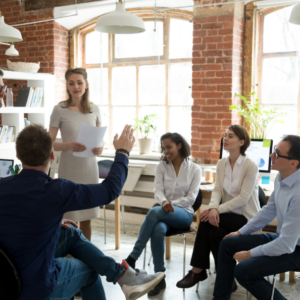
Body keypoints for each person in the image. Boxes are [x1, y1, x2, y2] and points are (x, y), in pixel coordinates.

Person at [0, 124, 164, 300]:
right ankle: (124, 278)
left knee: (71, 234)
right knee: (90, 270)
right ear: (52, 155)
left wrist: (52, 221)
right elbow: (110, 190)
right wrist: (123, 152)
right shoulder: (56, 191)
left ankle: (124, 276)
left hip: (6, 275)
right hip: (35, 287)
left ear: (18, 156)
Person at [212, 135, 300, 300]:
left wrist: (250, 254)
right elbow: (269, 210)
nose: (271, 156)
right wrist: (241, 232)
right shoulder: (282, 178)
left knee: (244, 271)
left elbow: (287, 245)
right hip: (286, 240)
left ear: (293, 163)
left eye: (277, 154)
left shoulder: (298, 194)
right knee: (227, 244)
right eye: (274, 151)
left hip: (295, 248)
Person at [177, 125, 260, 291]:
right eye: (225, 135)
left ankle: (198, 271)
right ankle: (227, 277)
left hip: (245, 218)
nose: (225, 139)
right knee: (215, 233)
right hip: (226, 216)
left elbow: (243, 198)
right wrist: (213, 208)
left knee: (206, 222)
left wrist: (216, 210)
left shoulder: (250, 166)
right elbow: (216, 190)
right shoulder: (222, 163)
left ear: (241, 142)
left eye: (230, 136)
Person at [126, 133, 202, 296]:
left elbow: (191, 199)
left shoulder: (194, 169)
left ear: (179, 145)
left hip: (184, 214)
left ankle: (133, 256)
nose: (166, 151)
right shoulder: (161, 166)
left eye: (169, 147)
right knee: (158, 229)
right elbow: (158, 190)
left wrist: (168, 204)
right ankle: (159, 278)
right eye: (163, 148)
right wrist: (163, 202)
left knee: (154, 211)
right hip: (163, 214)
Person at [49, 67, 104, 241]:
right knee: (71, 216)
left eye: (79, 82)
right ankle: (70, 256)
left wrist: (100, 147)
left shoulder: (94, 109)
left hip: (89, 168)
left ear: (86, 85)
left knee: (87, 216)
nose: (76, 86)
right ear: (66, 85)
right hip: (69, 169)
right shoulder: (59, 109)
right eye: (71, 83)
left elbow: (101, 138)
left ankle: (86, 257)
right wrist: (67, 145)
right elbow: (49, 143)